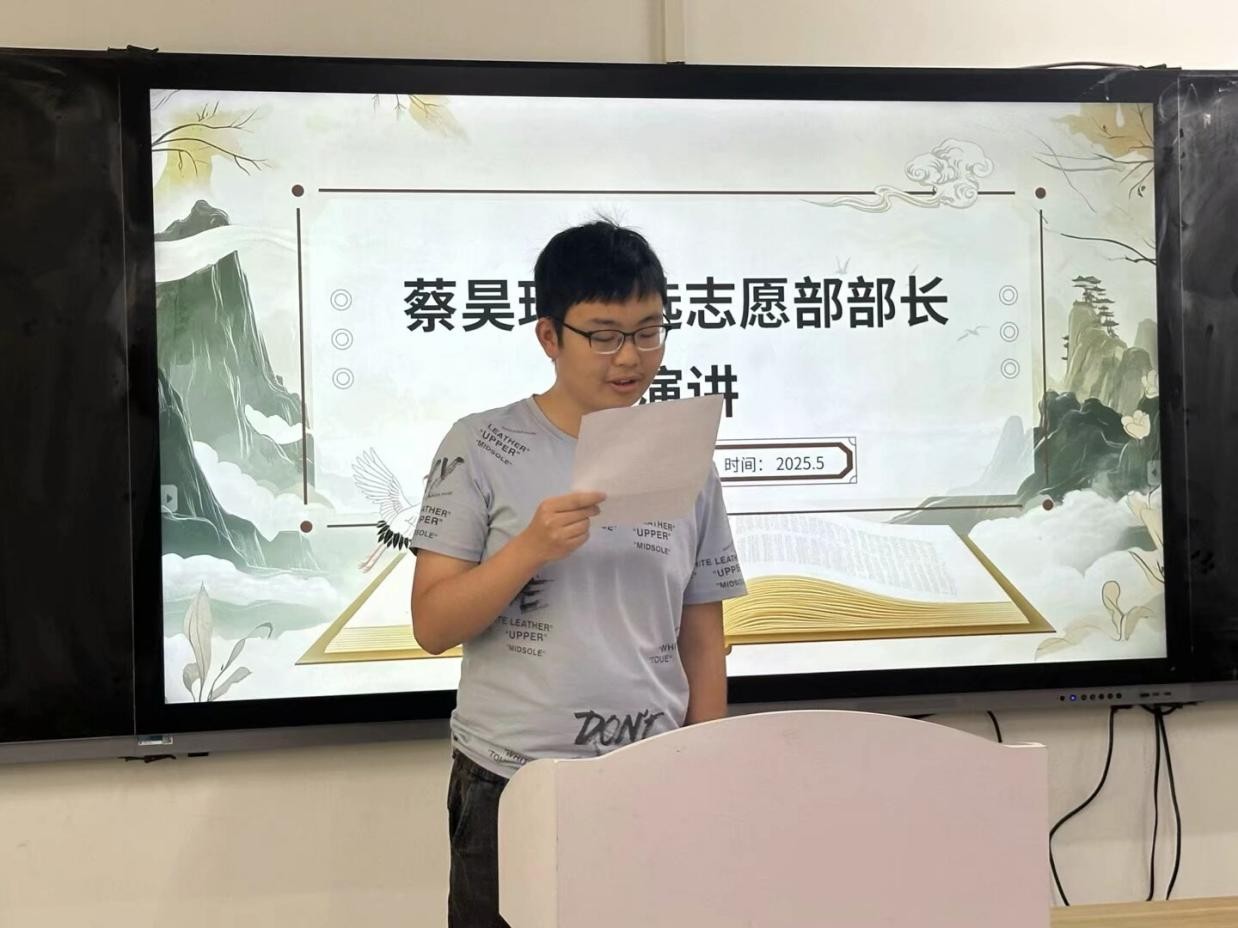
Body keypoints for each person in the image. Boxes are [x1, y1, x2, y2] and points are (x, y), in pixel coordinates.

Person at [410, 218, 747, 927]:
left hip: (654, 775)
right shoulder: (481, 445)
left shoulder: (684, 453)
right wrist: (529, 548)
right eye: (604, 335)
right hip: (511, 778)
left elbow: (702, 632)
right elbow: (432, 625)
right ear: (548, 336)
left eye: (649, 331)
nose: (630, 357)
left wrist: (706, 764)